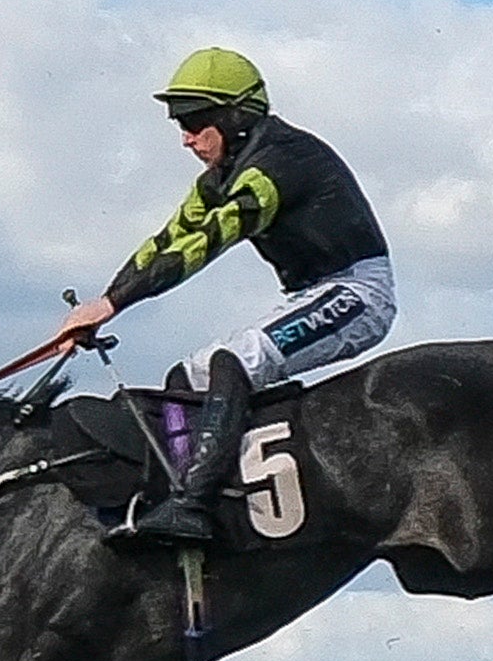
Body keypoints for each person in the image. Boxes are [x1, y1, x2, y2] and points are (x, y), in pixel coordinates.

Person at [84, 49, 396, 547]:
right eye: (179, 123)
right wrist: (102, 302)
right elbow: (167, 241)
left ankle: (196, 504)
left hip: (358, 292)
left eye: (195, 122)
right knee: (189, 377)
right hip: (306, 294)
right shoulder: (218, 178)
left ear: (237, 117)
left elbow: (212, 237)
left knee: (236, 359)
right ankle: (184, 501)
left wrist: (116, 304)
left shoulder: (283, 162)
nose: (186, 137)